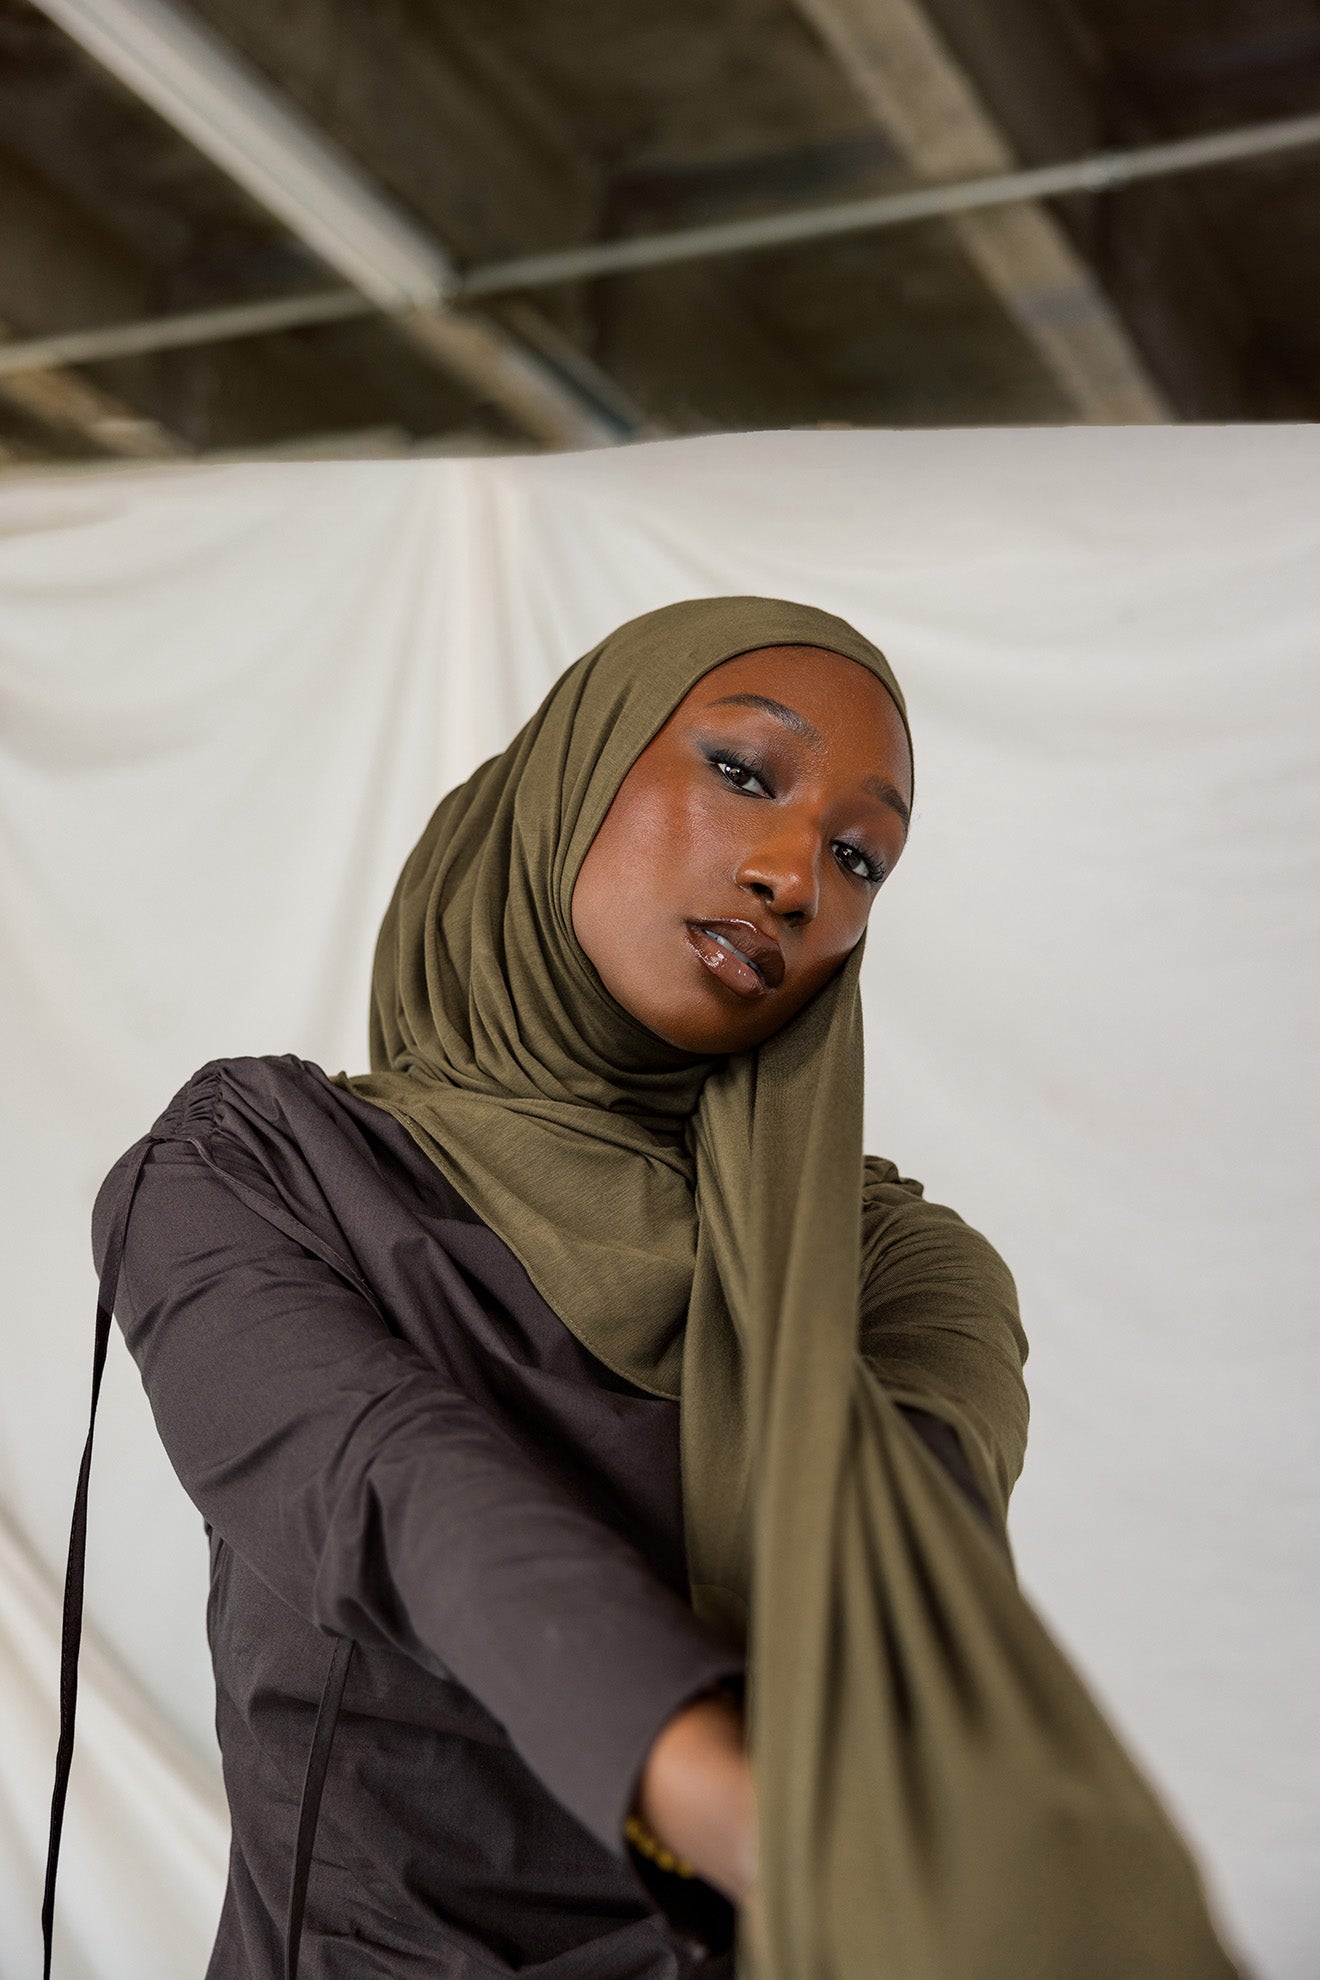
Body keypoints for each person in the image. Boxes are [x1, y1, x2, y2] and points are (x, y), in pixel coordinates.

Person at [56, 597, 1240, 1979]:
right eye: (747, 774)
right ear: (576, 770)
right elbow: (397, 1483)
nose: (799, 876)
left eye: (861, 857)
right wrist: (728, 1811)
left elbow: (907, 1591)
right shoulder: (261, 1166)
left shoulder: (888, 1267)